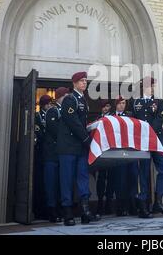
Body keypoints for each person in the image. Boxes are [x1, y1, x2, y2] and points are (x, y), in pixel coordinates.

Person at [57, 72, 100, 226]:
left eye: (85, 81)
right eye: (81, 81)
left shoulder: (83, 100)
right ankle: (68, 213)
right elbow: (72, 121)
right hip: (68, 146)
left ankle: (85, 211)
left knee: (83, 177)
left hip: (79, 147)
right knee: (67, 179)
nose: (84, 83)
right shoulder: (70, 99)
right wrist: (86, 138)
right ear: (74, 83)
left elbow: (81, 123)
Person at [130, 77, 163, 218]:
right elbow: (133, 122)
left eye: (153, 85)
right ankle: (142, 204)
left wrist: (149, 132)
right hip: (141, 142)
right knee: (143, 172)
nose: (153, 88)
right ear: (144, 86)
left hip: (156, 141)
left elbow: (160, 119)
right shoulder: (135, 102)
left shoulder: (159, 102)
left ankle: (158, 201)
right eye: (151, 85)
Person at [42, 87, 69, 223]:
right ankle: (51, 211)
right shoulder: (53, 111)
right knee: (51, 183)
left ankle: (60, 209)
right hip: (52, 154)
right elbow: (54, 129)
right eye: (66, 96)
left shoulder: (65, 111)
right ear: (59, 97)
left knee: (60, 183)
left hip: (61, 153)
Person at [111, 96, 138, 216]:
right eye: (120, 103)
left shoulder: (130, 115)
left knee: (132, 178)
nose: (122, 105)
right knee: (119, 180)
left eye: (124, 103)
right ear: (115, 104)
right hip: (117, 152)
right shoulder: (110, 116)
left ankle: (132, 206)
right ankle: (121, 207)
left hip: (130, 151)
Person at [33, 94, 52, 220]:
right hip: (40, 152)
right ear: (43, 104)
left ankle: (48, 210)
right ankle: (39, 210)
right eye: (48, 103)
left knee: (49, 183)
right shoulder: (37, 116)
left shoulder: (52, 114)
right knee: (39, 183)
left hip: (49, 152)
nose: (50, 105)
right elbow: (39, 132)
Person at [95, 99, 115, 216]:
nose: (105, 108)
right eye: (104, 106)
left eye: (107, 106)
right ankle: (100, 203)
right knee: (101, 178)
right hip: (101, 152)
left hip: (111, 151)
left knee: (111, 178)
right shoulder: (98, 118)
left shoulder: (112, 118)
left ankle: (109, 203)